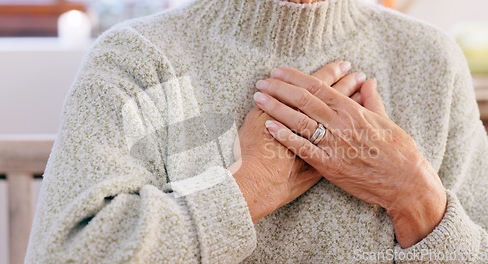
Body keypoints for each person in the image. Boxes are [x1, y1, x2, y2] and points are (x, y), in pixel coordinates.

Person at [26, 0, 488, 262]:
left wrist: (415, 195)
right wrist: (245, 189)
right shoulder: (136, 59)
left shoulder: (430, 60)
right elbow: (66, 255)